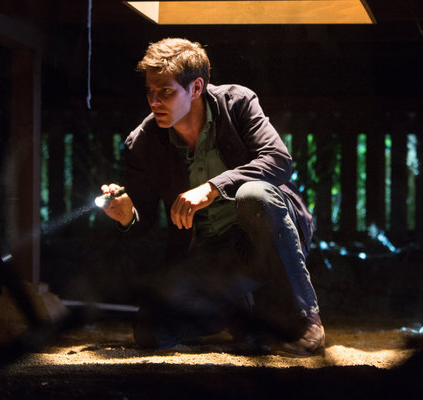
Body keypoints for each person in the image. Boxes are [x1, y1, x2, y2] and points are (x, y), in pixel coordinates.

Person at [100, 38, 324, 355]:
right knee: (151, 332)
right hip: (213, 255)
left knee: (254, 195)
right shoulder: (143, 142)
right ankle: (235, 311)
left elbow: (278, 160)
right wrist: (126, 216)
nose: (154, 101)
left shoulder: (237, 103)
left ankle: (305, 319)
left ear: (196, 88)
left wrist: (213, 187)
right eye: (150, 91)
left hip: (268, 234)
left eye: (166, 92)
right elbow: (143, 218)